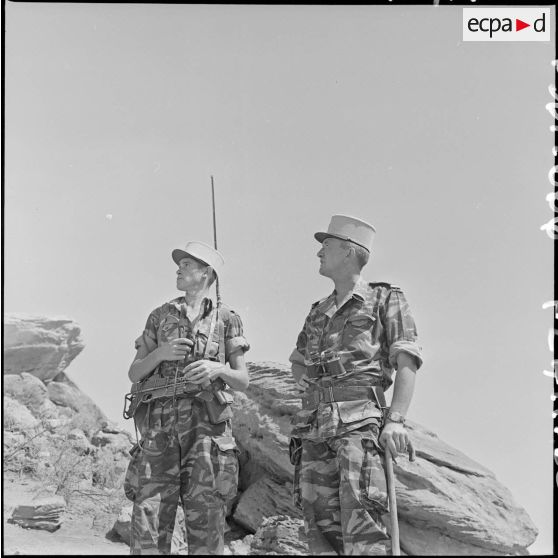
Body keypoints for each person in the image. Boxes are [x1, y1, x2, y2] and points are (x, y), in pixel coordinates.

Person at [289, 214, 423, 555]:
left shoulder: (384, 299)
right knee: (318, 529)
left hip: (358, 424)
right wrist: (305, 384)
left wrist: (395, 421)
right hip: (315, 429)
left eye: (327, 245)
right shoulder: (318, 311)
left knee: (364, 526)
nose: (319, 252)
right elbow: (298, 360)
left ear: (349, 251)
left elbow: (407, 360)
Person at [124, 241, 250, 555]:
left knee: (206, 516)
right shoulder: (160, 315)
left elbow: (243, 379)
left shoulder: (227, 319)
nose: (178, 270)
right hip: (160, 427)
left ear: (207, 273)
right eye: (179, 265)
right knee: (149, 516)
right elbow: (135, 373)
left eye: (187, 265)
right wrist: (161, 354)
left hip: (207, 429)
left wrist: (217, 368)